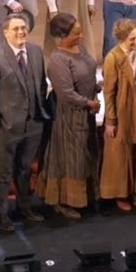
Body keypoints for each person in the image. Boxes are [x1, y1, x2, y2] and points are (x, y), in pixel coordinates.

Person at [0, 13, 50, 231]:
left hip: (34, 122)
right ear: (6, 31)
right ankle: (2, 214)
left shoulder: (36, 51)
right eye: (16, 28)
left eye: (23, 28)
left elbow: (41, 84)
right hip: (7, 125)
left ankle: (25, 207)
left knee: (26, 168)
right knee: (4, 171)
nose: (21, 32)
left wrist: (40, 111)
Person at [40, 13, 100, 219]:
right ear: (61, 35)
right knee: (71, 159)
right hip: (70, 117)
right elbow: (66, 94)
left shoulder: (80, 49)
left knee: (86, 155)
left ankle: (86, 197)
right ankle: (64, 202)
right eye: (76, 33)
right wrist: (89, 102)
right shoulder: (58, 60)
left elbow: (87, 73)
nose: (81, 36)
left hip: (87, 114)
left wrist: (97, 87)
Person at [100, 18, 136, 212]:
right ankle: (120, 194)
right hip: (122, 109)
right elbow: (109, 92)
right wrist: (111, 120)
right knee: (120, 153)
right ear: (122, 38)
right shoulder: (112, 58)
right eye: (132, 38)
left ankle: (134, 190)